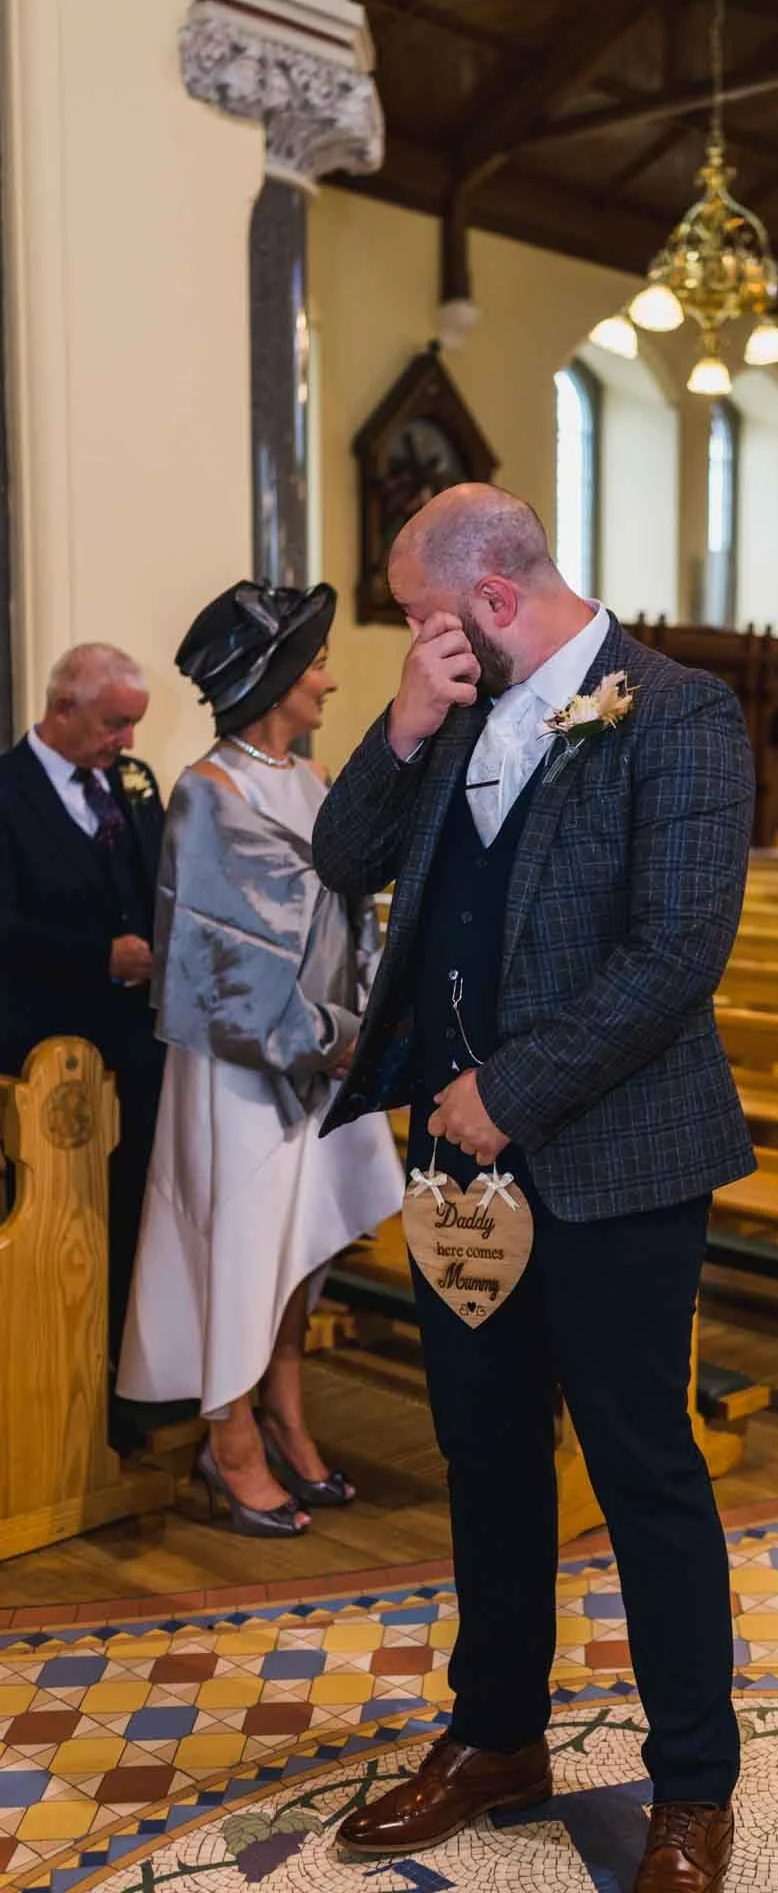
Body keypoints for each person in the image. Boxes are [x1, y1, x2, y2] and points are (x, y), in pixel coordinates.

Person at [313, 484, 756, 1893]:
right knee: (486, 1459)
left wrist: (511, 1091)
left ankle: (692, 1789)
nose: (410, 639)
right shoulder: (452, 709)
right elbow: (341, 856)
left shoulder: (675, 711)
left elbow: (675, 951)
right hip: (461, 1180)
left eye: (417, 617)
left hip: (618, 1165)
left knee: (642, 1473)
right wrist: (398, 725)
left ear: (492, 603)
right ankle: (496, 1734)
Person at [116, 582, 401, 1537]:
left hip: (320, 1051)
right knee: (238, 1240)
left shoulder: (314, 785)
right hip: (241, 1065)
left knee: (297, 1246)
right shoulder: (208, 793)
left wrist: (362, 1025)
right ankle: (227, 1432)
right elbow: (210, 964)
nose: (328, 679)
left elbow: (350, 911)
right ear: (276, 681)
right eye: (314, 663)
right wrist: (327, 1036)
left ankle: (283, 1404)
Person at [0, 644, 165, 1383]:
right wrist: (98, 955)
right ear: (61, 709)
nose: (126, 742)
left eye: (132, 726)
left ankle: (120, 1381)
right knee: (56, 1229)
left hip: (134, 1051)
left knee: (128, 1217)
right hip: (42, 1048)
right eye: (113, 724)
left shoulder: (132, 783)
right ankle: (50, 1386)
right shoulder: (4, 791)